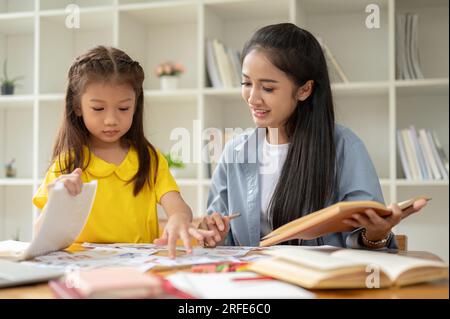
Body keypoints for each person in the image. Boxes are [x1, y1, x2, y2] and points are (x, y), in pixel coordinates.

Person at [199, 23, 427, 249]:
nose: (252, 98)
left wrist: (375, 234)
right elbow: (220, 235)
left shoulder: (344, 147)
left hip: (321, 281)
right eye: (246, 83)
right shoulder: (236, 152)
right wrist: (214, 235)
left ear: (304, 90)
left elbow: (370, 240)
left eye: (267, 88)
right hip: (254, 281)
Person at [32, 46, 213, 258]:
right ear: (77, 106)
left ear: (136, 105)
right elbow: (39, 235)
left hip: (139, 270)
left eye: (124, 108)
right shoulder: (68, 164)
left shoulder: (149, 159)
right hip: (82, 270)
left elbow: (178, 206)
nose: (111, 119)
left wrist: (179, 218)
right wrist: (58, 200)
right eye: (98, 109)